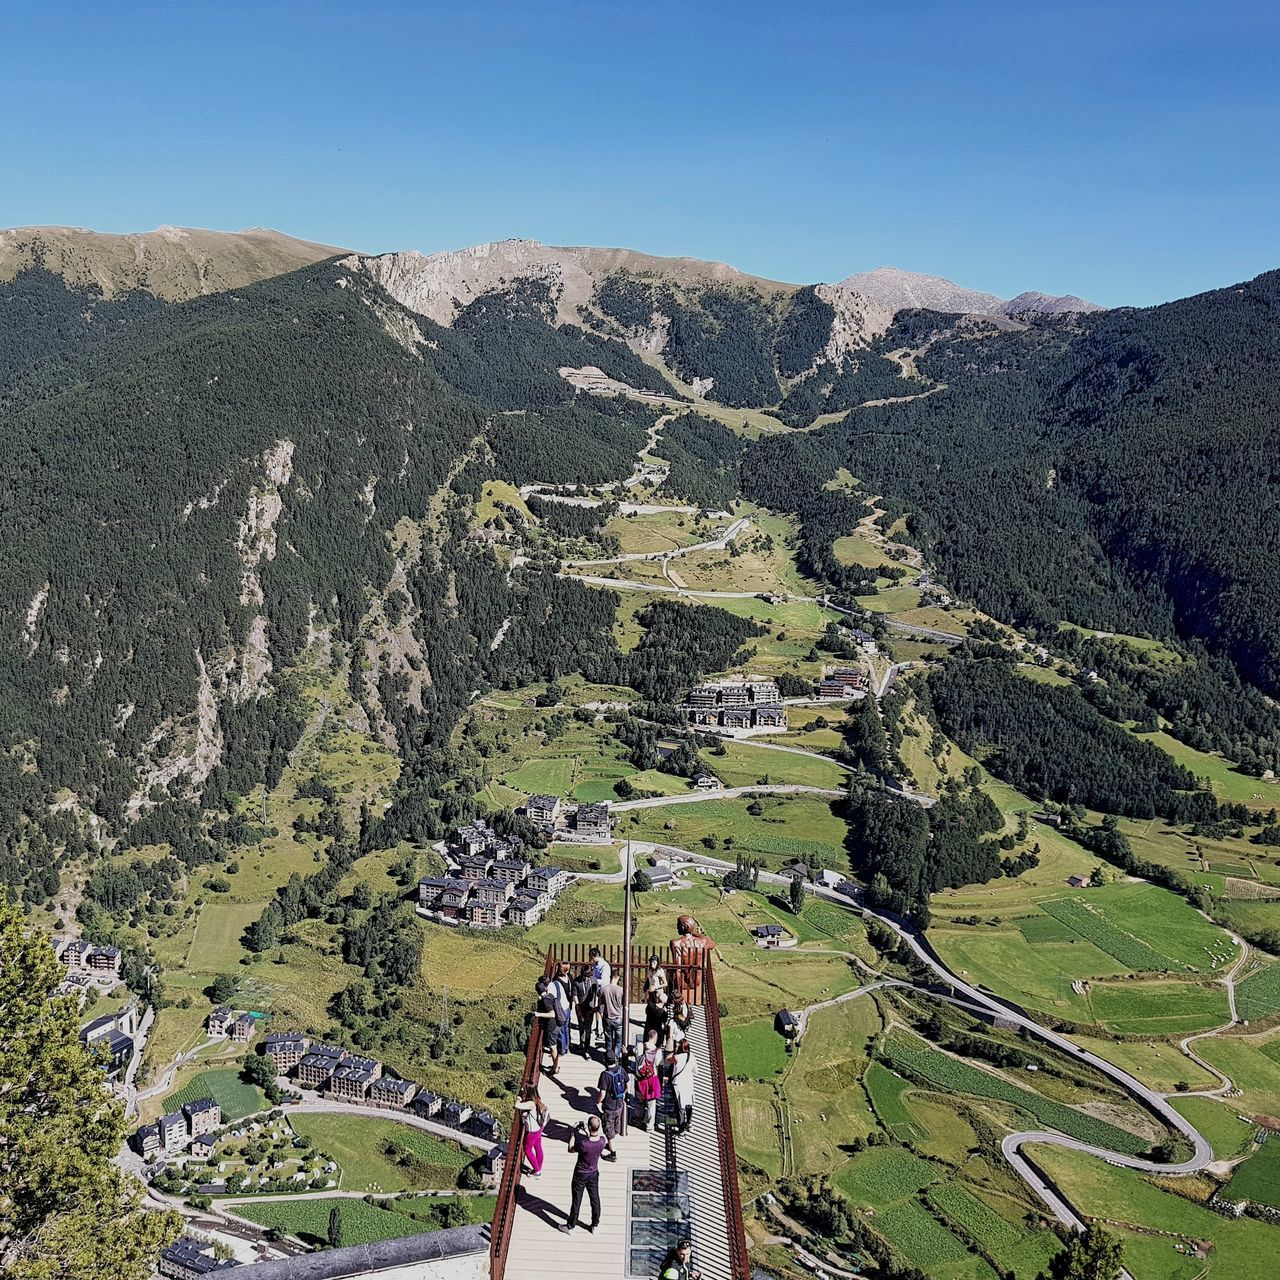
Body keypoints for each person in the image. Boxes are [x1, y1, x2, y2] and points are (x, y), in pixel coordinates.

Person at [560, 1114, 608, 1234]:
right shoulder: (602, 1141)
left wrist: (572, 1134)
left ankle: (570, 1226)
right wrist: (588, 1132)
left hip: (580, 1174)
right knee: (595, 1199)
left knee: (577, 1200)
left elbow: (570, 1149)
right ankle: (595, 1224)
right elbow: (593, 1140)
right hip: (593, 1173)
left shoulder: (583, 1144)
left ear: (590, 1127)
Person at [514, 1083, 548, 1177]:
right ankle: (539, 1168)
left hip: (532, 1131)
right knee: (538, 1147)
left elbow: (517, 1105)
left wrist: (519, 1097)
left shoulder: (530, 1103)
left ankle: (537, 1171)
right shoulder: (537, 1099)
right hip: (538, 1128)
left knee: (527, 1149)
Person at [595, 1054, 628, 1148]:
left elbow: (602, 1094)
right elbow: (627, 1084)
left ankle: (612, 1152)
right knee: (616, 1125)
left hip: (609, 1106)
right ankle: (611, 1143)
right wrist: (622, 1094)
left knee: (608, 1129)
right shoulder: (621, 1070)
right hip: (619, 1103)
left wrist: (598, 1102)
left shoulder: (605, 1075)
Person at [634, 1029, 664, 1131]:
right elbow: (658, 1064)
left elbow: (636, 1057)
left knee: (639, 1101)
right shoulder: (658, 1051)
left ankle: (638, 1118)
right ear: (655, 1038)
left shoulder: (640, 1046)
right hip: (652, 1080)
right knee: (651, 1105)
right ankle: (649, 1126)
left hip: (640, 1078)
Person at [532, 978, 561, 1077]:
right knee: (554, 1046)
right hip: (556, 1024)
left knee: (553, 1047)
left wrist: (538, 1014)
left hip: (551, 1026)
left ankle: (555, 1068)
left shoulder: (545, 1001)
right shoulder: (550, 995)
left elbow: (552, 1014)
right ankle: (555, 1065)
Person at [668, 1037, 697, 1135]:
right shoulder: (691, 1056)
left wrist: (674, 1051)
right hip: (688, 1083)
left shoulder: (677, 1057)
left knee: (680, 1107)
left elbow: (667, 1059)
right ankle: (689, 1123)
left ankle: (681, 1129)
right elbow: (696, 1071)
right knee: (689, 1105)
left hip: (678, 1084)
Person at [572, 963, 597, 1057]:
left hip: (590, 1007)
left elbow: (596, 995)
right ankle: (581, 1044)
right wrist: (578, 1008)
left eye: (588, 976)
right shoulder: (577, 981)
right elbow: (574, 995)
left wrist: (595, 1007)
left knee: (588, 1028)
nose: (586, 978)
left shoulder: (594, 981)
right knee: (581, 1026)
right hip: (580, 1006)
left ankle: (587, 1046)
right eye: (584, 976)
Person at [550, 963, 573, 1062]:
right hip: (568, 1005)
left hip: (561, 1008)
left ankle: (562, 1050)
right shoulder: (570, 978)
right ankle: (567, 1047)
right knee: (567, 1028)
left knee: (561, 1030)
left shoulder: (556, 981)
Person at [601, 972, 625, 1063]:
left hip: (607, 1017)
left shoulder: (604, 989)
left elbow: (601, 1002)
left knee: (608, 1040)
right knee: (618, 1041)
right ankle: (616, 1059)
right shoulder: (621, 990)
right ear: (617, 977)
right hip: (618, 1017)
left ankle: (609, 1058)